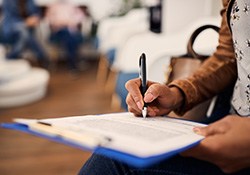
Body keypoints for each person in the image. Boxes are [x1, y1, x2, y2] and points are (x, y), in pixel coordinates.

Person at [78, 0, 250, 174]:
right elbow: (228, 56)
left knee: (114, 164)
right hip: (228, 122)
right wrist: (177, 93)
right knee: (115, 154)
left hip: (238, 144)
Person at [1, 0, 50, 68]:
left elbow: (36, 12)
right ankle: (42, 58)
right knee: (24, 33)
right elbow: (10, 18)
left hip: (26, 30)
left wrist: (35, 18)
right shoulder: (8, 1)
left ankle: (11, 57)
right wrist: (25, 23)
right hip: (11, 29)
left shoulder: (30, 1)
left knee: (25, 34)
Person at [45, 0, 87, 72]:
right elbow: (49, 19)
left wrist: (71, 21)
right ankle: (73, 64)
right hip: (58, 32)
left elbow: (81, 16)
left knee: (70, 37)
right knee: (69, 37)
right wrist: (61, 22)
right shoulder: (53, 6)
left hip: (71, 31)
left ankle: (73, 64)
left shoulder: (71, 6)